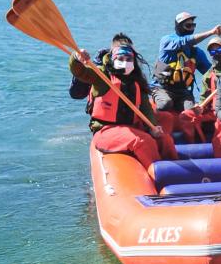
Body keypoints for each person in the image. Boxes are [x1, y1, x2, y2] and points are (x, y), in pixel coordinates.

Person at [69, 33, 177, 168]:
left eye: (128, 58)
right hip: (106, 130)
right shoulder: (102, 76)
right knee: (142, 141)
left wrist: (152, 127)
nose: (125, 62)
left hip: (130, 126)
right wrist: (76, 58)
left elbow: (145, 108)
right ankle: (159, 176)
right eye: (120, 58)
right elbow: (80, 72)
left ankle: (175, 172)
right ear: (113, 58)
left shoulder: (137, 80)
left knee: (165, 139)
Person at [153, 12, 221, 114]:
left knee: (192, 111)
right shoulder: (167, 41)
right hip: (162, 88)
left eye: (193, 25)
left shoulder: (196, 53)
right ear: (178, 26)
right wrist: (211, 32)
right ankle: (153, 119)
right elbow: (185, 41)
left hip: (182, 91)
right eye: (188, 26)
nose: (191, 28)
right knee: (166, 103)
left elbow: (211, 72)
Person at [178, 36, 221, 142]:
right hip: (214, 112)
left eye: (219, 50)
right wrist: (200, 107)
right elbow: (204, 98)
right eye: (213, 52)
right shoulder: (208, 75)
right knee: (186, 116)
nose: (216, 53)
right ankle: (195, 145)